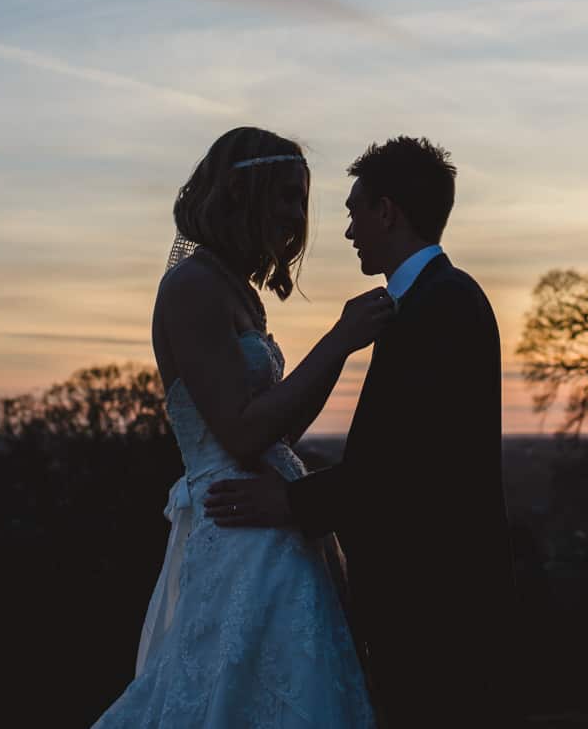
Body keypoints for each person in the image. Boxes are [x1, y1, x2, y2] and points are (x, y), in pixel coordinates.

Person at [205, 136, 517, 728]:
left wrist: (290, 501)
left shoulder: (442, 305)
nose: (347, 231)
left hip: (442, 607)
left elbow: (413, 469)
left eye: (354, 211)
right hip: (431, 604)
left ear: (387, 211)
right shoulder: (422, 302)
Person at [93, 126, 387, 728]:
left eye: (301, 200)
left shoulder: (238, 292)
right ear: (238, 195)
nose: (296, 216)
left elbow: (276, 430)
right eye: (283, 196)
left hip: (273, 519)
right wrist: (340, 341)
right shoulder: (191, 287)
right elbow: (244, 434)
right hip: (238, 529)